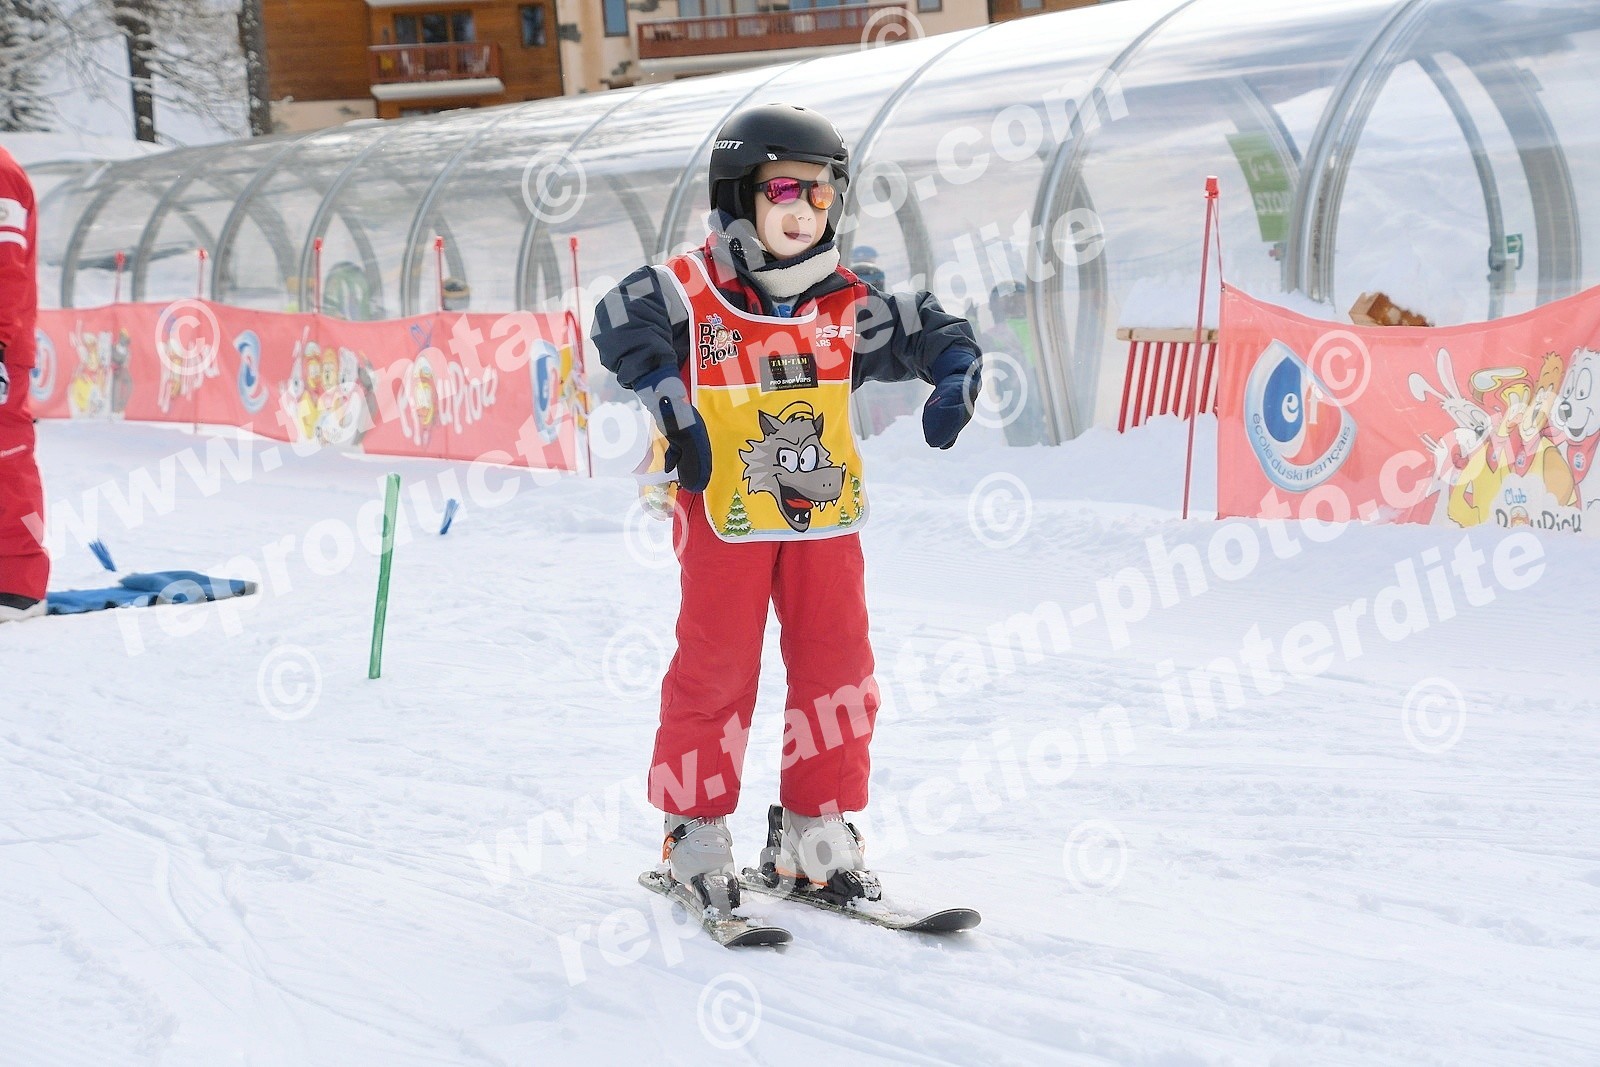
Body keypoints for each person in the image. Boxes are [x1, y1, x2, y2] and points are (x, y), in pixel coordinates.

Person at [592, 103, 983, 912]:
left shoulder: (845, 302)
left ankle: (814, 832)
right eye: (783, 190)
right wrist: (669, 397)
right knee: (717, 670)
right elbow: (619, 319)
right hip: (725, 517)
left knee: (839, 669)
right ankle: (694, 831)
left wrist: (955, 370)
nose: (804, 208)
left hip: (824, 523)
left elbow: (927, 327)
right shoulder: (692, 289)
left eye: (820, 191)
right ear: (740, 193)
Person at [0, 145, 48, 623]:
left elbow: (6, 265)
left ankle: (18, 585)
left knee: (5, 461)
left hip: (4, 347)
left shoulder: (0, 173)